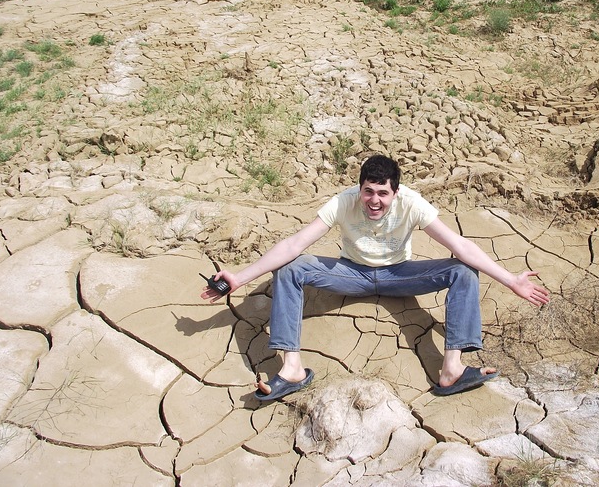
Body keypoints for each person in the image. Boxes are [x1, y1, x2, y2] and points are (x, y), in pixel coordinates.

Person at [201, 154, 550, 401]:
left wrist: (511, 280)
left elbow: (459, 245)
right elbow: (294, 244)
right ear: (360, 188)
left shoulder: (413, 204)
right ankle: (292, 369)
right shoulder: (344, 202)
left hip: (400, 275)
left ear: (395, 192)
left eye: (383, 193)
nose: (374, 200)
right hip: (350, 273)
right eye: (369, 191)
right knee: (291, 267)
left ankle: (452, 370)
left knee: (462, 270)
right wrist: (239, 278)